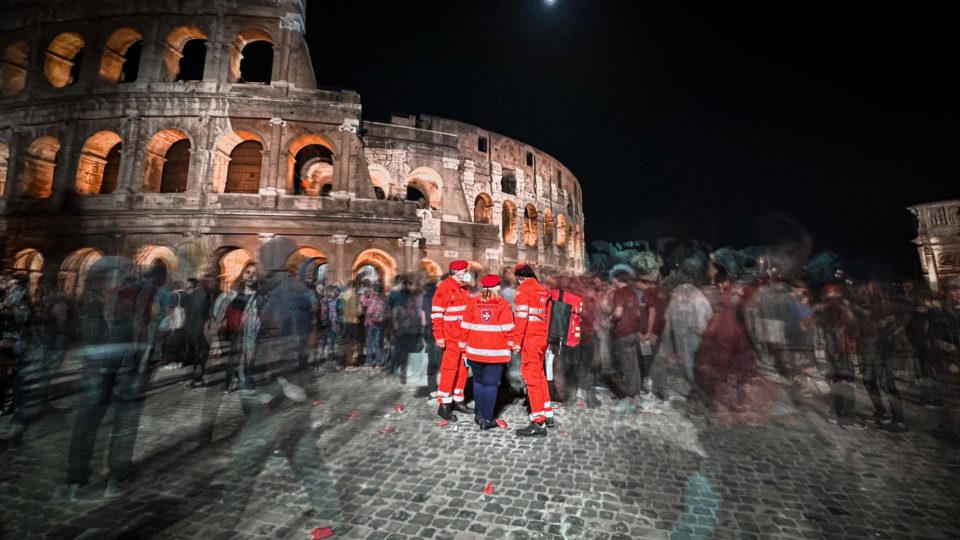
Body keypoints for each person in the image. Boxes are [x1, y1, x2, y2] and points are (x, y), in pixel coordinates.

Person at [459, 274, 514, 430]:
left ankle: (478, 414)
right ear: (497, 287)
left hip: (475, 352)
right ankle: (487, 419)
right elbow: (508, 330)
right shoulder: (502, 305)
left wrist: (463, 348)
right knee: (490, 385)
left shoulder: (472, 302)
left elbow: (465, 328)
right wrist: (511, 345)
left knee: (478, 382)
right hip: (495, 353)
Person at [511, 263, 553, 437]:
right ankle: (548, 414)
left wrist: (516, 342)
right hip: (542, 338)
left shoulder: (523, 291)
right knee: (541, 376)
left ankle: (538, 423)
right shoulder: (542, 289)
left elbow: (521, 318)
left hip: (530, 339)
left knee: (532, 379)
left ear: (518, 277)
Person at [431, 260, 473, 422]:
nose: (466, 275)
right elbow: (436, 314)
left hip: (464, 337)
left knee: (463, 369)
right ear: (455, 273)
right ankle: (444, 405)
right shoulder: (444, 288)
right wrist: (439, 336)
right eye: (464, 272)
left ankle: (458, 400)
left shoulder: (464, 289)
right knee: (449, 370)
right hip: (451, 337)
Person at [212, 262, 260, 393]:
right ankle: (229, 383)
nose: (251, 276)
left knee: (249, 358)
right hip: (237, 332)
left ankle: (245, 382)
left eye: (254, 274)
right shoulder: (233, 295)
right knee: (234, 358)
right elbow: (219, 313)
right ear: (243, 274)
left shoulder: (259, 296)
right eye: (248, 272)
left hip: (252, 332)